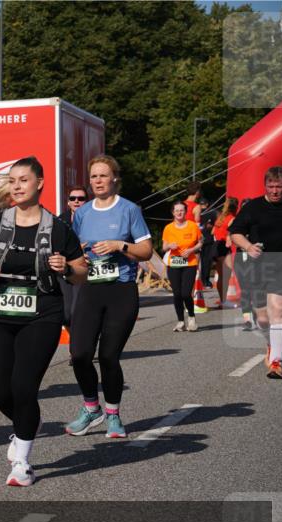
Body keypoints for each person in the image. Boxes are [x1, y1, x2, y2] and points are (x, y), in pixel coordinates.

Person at [0, 156, 88, 487]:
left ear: (40, 183)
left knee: (24, 387)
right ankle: (26, 423)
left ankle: (22, 460)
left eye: (24, 180)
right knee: (1, 394)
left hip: (42, 312)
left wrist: (66, 268)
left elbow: (81, 274)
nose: (17, 186)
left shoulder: (58, 228)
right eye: (13, 181)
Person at [64, 155, 154, 439]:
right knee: (79, 354)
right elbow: (73, 254)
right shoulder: (83, 213)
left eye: (103, 176)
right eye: (94, 177)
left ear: (115, 178)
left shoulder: (129, 210)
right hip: (90, 288)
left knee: (108, 356)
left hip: (120, 290)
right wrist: (76, 252)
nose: (98, 181)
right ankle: (92, 408)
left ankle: (113, 414)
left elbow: (147, 251)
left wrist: (120, 244)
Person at [228, 166, 282, 379]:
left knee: (279, 306)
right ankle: (270, 342)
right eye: (271, 186)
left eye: (279, 187)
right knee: (262, 317)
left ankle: (276, 362)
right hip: (260, 265)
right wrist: (247, 247)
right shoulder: (253, 207)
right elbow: (235, 232)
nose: (275, 191)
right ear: (265, 185)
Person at [162, 200, 203, 331]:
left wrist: (191, 250)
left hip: (190, 263)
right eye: (177, 210)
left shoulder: (192, 226)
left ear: (185, 212)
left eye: (182, 210)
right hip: (174, 263)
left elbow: (201, 242)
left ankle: (191, 317)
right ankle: (180, 321)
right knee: (177, 294)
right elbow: (163, 247)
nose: (179, 212)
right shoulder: (168, 228)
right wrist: (169, 246)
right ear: (173, 212)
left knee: (186, 294)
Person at [57, 186, 88, 326]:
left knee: (78, 311)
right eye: (72, 198)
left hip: (85, 269)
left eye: (81, 199)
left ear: (86, 202)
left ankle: (78, 345)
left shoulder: (93, 219)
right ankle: (75, 342)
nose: (76, 201)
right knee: (66, 314)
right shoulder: (60, 221)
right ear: (68, 202)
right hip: (65, 269)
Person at [213, 197, 238, 307]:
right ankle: (223, 301)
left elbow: (213, 232)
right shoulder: (232, 218)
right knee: (226, 275)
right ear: (235, 207)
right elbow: (230, 235)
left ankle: (222, 300)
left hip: (216, 247)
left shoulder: (220, 218)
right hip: (223, 247)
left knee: (221, 275)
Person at [198, 196, 218, 288]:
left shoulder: (211, 213)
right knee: (204, 261)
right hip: (200, 240)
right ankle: (203, 281)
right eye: (201, 204)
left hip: (207, 240)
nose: (202, 206)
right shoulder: (200, 212)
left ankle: (205, 280)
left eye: (203, 204)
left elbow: (216, 224)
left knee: (206, 261)